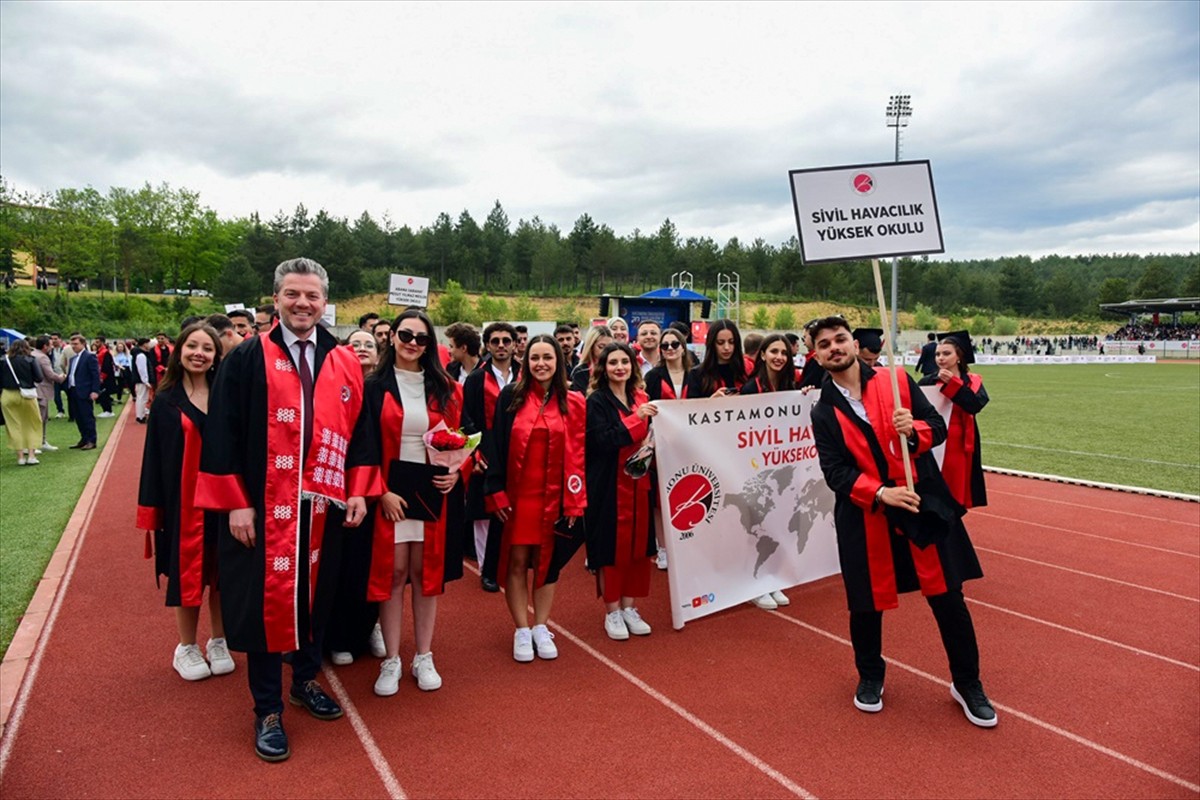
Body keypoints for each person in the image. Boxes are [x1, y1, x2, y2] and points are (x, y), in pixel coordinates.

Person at [196, 258, 371, 763]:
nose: (302, 303)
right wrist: (236, 504)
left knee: (316, 597)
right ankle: (267, 708)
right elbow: (222, 433)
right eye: (293, 294)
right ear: (275, 299)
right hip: (263, 507)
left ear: (325, 302)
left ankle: (305, 680)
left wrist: (358, 489)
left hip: (322, 507)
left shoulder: (342, 360)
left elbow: (358, 430)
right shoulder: (247, 358)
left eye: (312, 296)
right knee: (265, 607)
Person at [807, 315, 996, 728]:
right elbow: (835, 472)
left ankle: (967, 683)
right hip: (867, 512)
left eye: (840, 339)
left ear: (853, 343)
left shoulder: (896, 381)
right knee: (866, 603)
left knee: (948, 597)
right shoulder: (822, 411)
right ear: (816, 356)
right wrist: (879, 493)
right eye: (824, 344)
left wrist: (914, 431)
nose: (834, 347)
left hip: (920, 499)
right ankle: (870, 675)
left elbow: (937, 427)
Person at [357, 309, 468, 697]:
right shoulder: (373, 387)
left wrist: (456, 471)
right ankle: (391, 658)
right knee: (393, 573)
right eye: (406, 335)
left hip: (429, 491)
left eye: (421, 338)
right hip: (390, 493)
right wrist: (379, 492)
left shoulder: (447, 388)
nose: (413, 343)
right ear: (392, 336)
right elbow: (362, 444)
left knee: (425, 574)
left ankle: (423, 654)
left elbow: (461, 438)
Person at [137, 323, 237, 682]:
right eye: (192, 346)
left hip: (223, 501)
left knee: (222, 573)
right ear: (179, 351)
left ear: (216, 356)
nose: (199, 353)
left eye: (207, 348)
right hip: (184, 504)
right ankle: (186, 646)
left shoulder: (225, 395)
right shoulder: (166, 401)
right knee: (188, 574)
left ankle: (219, 640)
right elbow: (154, 459)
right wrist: (154, 511)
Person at [483, 335, 586, 662]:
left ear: (558, 362)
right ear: (525, 362)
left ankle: (541, 626)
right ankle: (522, 629)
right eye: (535, 358)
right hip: (517, 496)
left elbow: (580, 454)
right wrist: (495, 491)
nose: (541, 364)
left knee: (547, 562)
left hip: (553, 496)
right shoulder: (510, 397)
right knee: (516, 562)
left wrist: (574, 500)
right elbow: (494, 445)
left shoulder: (573, 401)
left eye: (547, 358)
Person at [585, 342, 659, 640]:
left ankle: (630, 606)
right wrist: (636, 418)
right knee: (611, 548)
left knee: (640, 548)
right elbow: (602, 440)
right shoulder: (597, 401)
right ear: (603, 368)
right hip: (608, 486)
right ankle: (612, 610)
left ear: (633, 366)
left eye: (625, 362)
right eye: (613, 362)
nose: (620, 367)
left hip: (639, 483)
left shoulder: (641, 397)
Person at [325, 329, 386, 667]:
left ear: (379, 354)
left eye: (369, 345)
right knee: (336, 566)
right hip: (333, 486)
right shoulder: (331, 384)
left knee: (367, 565)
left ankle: (367, 627)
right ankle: (335, 635)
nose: (362, 348)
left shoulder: (382, 388)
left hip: (377, 491)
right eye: (355, 343)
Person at [739, 332, 800, 611]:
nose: (779, 357)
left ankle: (772, 577)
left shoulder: (792, 387)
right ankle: (756, 582)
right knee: (758, 524)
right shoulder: (750, 389)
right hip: (755, 467)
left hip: (782, 467)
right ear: (762, 354)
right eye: (774, 351)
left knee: (778, 522)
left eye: (784, 353)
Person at [463, 322, 519, 593]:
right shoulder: (476, 378)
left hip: (518, 452)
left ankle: (510, 565)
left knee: (513, 510)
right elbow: (466, 418)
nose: (501, 345)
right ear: (487, 345)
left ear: (514, 344)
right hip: (486, 452)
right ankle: (487, 569)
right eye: (495, 341)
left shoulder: (525, 374)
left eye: (506, 340)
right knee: (484, 513)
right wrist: (475, 452)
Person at [919, 331, 989, 510]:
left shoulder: (972, 381)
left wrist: (953, 384)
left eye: (946, 353)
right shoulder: (927, 381)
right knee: (934, 485)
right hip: (934, 438)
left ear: (959, 357)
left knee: (956, 487)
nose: (940, 358)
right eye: (937, 354)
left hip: (959, 442)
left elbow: (974, 405)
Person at [642, 326, 693, 570]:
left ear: (683, 347)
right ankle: (663, 548)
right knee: (660, 500)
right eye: (665, 345)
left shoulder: (696, 374)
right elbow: (646, 409)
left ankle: (686, 546)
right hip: (661, 445)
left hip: (691, 446)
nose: (670, 348)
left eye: (674, 344)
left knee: (688, 493)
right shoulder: (653, 376)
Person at [1, 338, 45, 466]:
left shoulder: (3, 360)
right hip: (27, 394)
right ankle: (31, 455)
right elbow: (39, 378)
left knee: (13, 425)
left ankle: (20, 457)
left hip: (8, 394)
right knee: (32, 424)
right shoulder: (31, 360)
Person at [684, 319, 746, 398]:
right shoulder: (697, 374)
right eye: (720, 342)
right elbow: (692, 404)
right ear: (712, 343)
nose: (726, 347)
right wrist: (711, 401)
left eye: (731, 342)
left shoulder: (746, 370)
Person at [65, 333, 101, 450]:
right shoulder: (73, 358)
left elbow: (95, 375)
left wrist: (95, 390)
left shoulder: (89, 357)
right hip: (73, 390)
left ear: (83, 344)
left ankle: (91, 440)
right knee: (78, 417)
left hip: (85, 391)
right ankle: (84, 438)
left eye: (76, 344)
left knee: (87, 416)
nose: (73, 346)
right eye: (72, 344)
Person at [32, 335, 64, 452]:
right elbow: (50, 374)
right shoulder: (42, 357)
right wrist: (61, 377)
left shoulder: (32, 354)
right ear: (45, 346)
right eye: (50, 344)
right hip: (41, 390)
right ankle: (37, 443)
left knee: (39, 418)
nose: (52, 347)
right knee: (41, 418)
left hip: (34, 390)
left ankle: (40, 441)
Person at [569, 325, 613, 393]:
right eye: (601, 347)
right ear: (591, 347)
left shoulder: (616, 368)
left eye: (610, 347)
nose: (606, 351)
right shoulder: (581, 371)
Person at [94, 336, 117, 417]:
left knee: (104, 394)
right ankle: (105, 410)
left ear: (102, 342)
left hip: (105, 376)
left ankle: (108, 411)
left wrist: (102, 377)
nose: (95, 344)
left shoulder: (105, 352)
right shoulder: (99, 352)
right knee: (102, 394)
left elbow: (106, 366)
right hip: (101, 375)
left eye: (97, 342)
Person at [132, 338, 154, 423]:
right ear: (144, 344)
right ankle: (140, 416)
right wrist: (145, 381)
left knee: (142, 398)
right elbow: (142, 369)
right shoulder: (141, 355)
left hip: (141, 380)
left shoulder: (140, 354)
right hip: (141, 381)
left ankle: (141, 415)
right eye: (148, 344)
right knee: (142, 398)